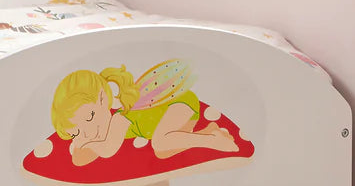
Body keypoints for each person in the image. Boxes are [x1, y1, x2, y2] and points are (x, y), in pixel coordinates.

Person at [50, 59, 238, 166]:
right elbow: (81, 160)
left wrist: (83, 142)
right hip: (171, 115)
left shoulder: (119, 118)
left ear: (102, 99)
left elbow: (107, 150)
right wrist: (80, 142)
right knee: (164, 152)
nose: (88, 132)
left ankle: (213, 140)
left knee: (160, 141)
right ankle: (209, 131)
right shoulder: (105, 127)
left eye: (89, 118)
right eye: (77, 131)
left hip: (175, 102)